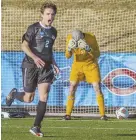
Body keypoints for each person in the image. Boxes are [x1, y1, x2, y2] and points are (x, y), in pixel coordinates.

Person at [6, 2, 60, 137]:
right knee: (29, 98)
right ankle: (14, 94)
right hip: (30, 66)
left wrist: (54, 64)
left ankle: (36, 126)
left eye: (52, 14)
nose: (50, 16)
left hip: (46, 67)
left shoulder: (53, 32)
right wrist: (35, 58)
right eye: (48, 14)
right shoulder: (33, 29)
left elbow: (49, 50)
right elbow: (24, 46)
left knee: (44, 96)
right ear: (42, 14)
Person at [64, 30, 107, 120]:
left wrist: (89, 49)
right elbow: (67, 56)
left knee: (97, 87)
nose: (77, 43)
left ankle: (103, 115)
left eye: (79, 41)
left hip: (91, 65)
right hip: (77, 66)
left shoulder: (91, 37)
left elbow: (97, 54)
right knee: (72, 87)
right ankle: (67, 114)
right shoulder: (69, 38)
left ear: (83, 37)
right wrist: (69, 49)